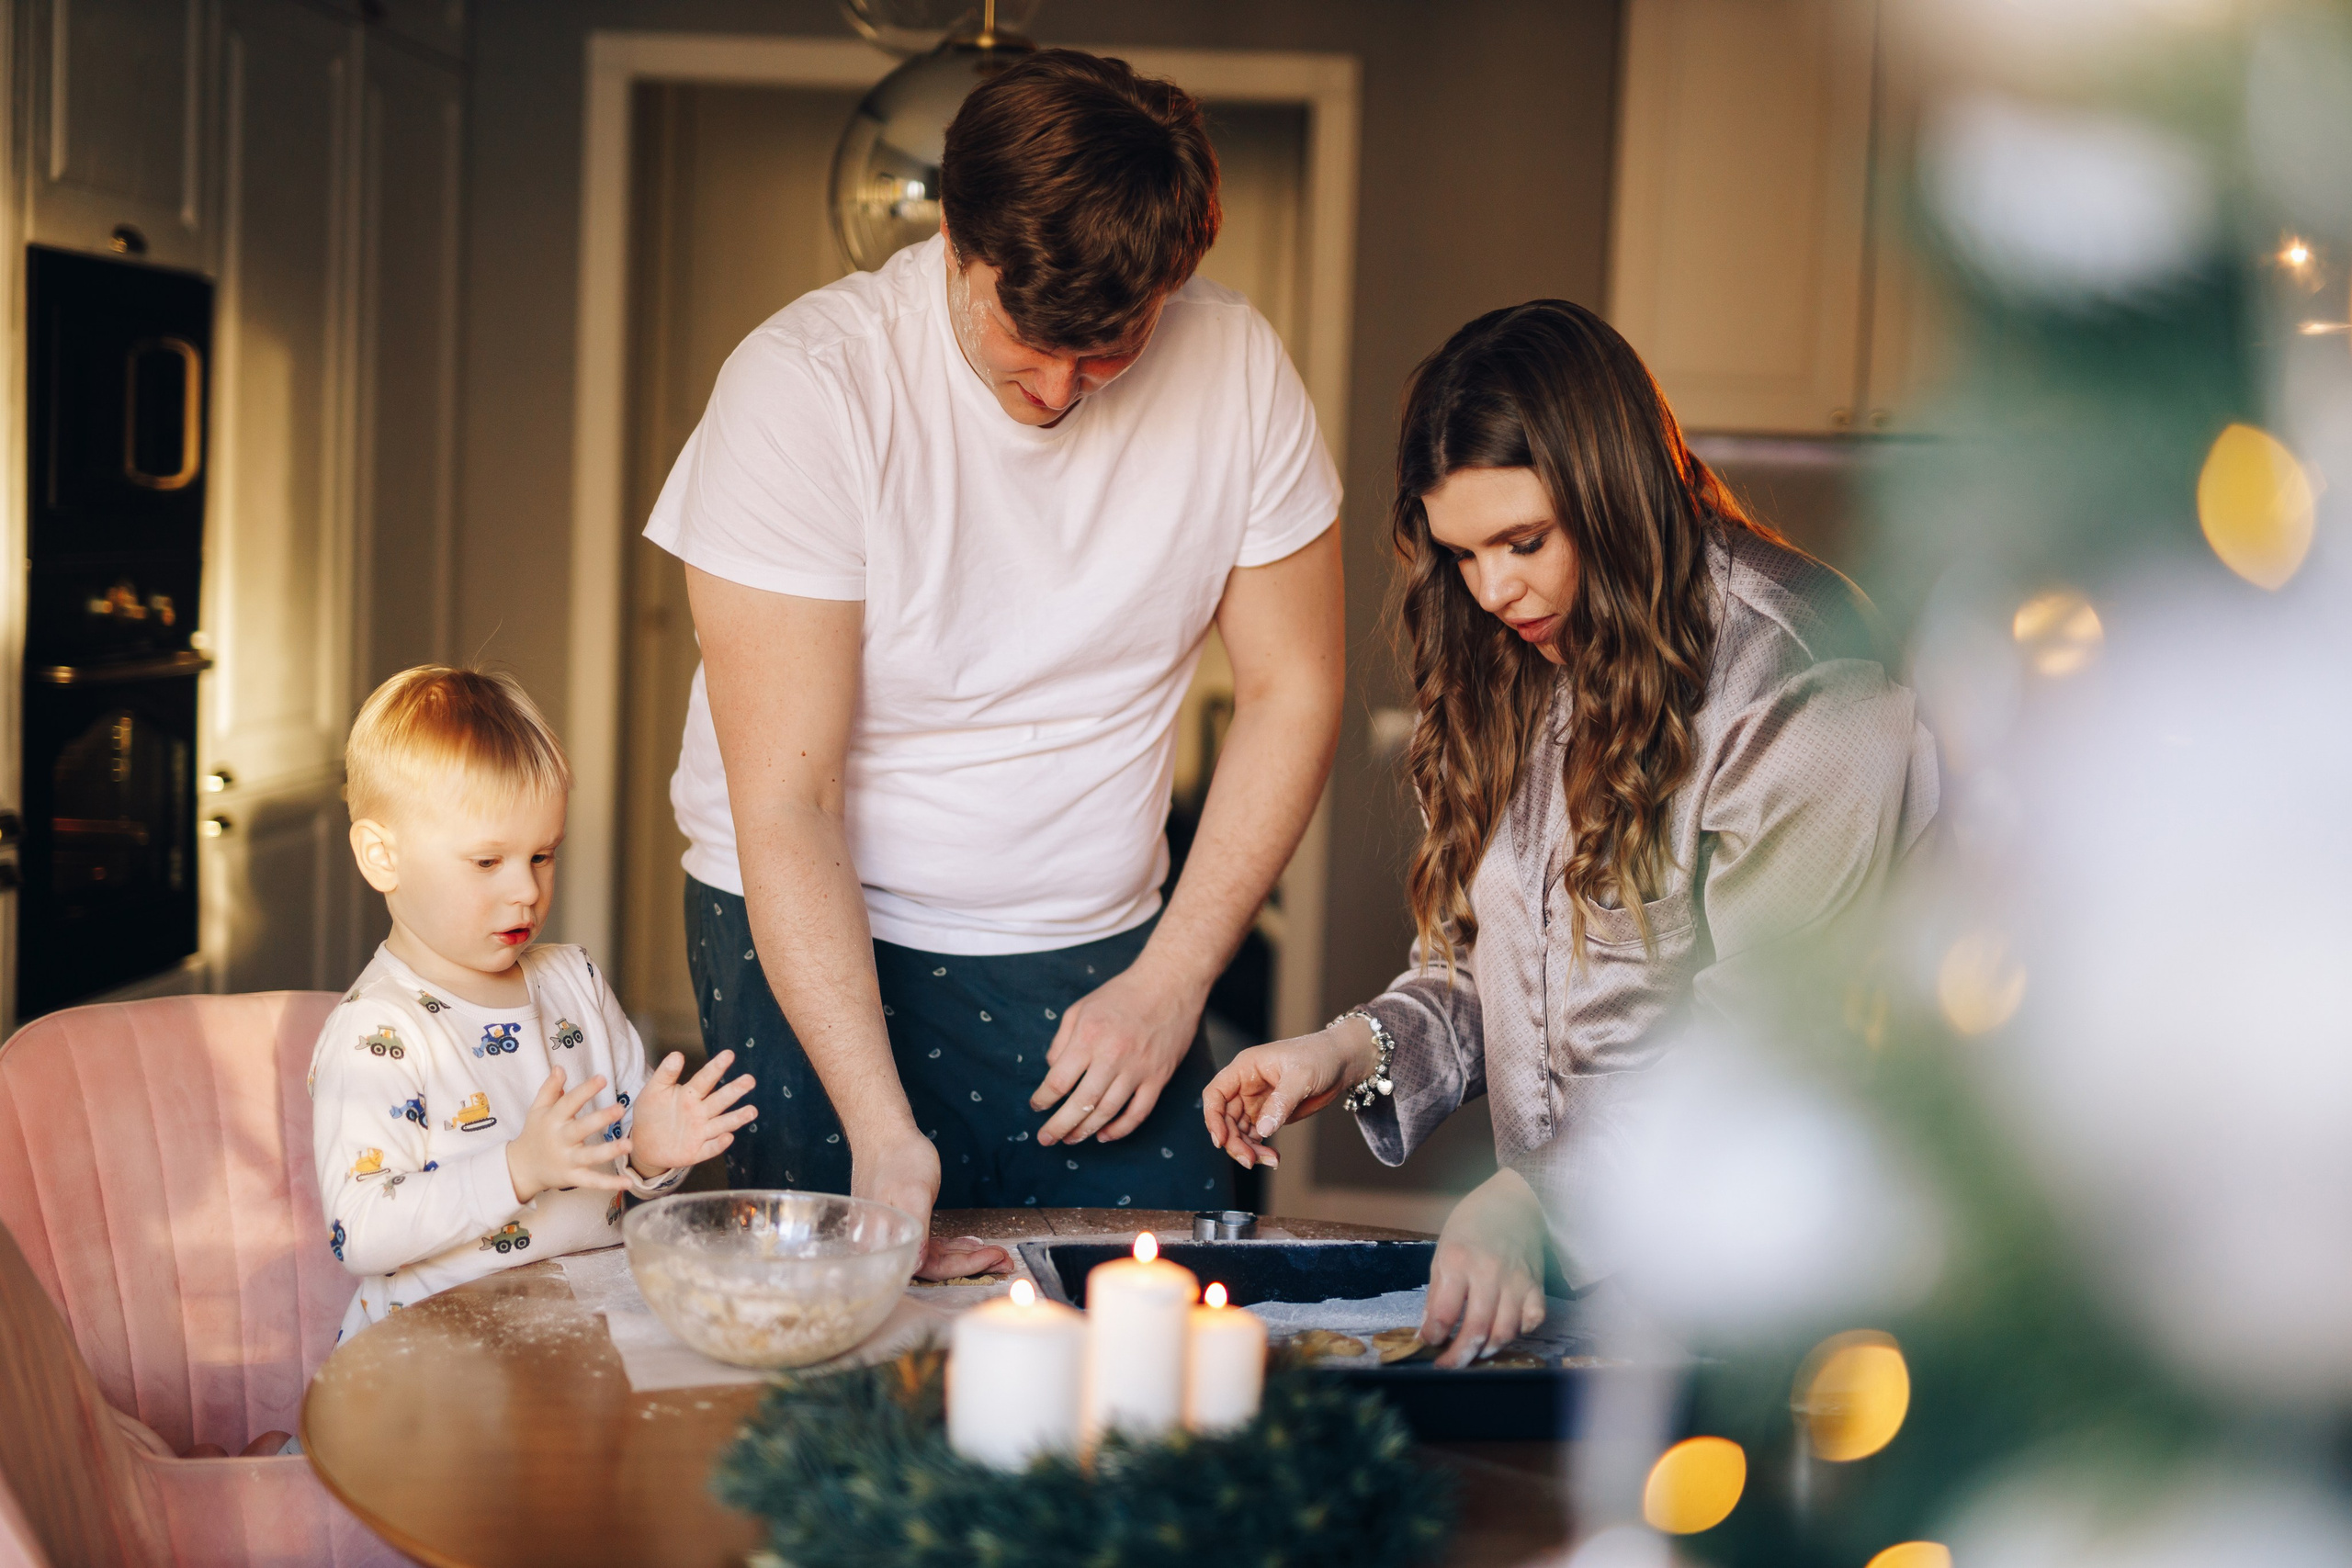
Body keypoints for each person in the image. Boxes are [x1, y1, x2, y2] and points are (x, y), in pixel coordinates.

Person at [645, 49, 1343, 1274]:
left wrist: (1173, 980)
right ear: (956, 244)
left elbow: (1296, 687)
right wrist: (879, 1125)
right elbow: (786, 799)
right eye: (1032, 339)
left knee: (1160, 1294)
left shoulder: (1238, 370)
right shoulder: (806, 390)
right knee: (849, 1324)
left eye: (1111, 349)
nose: (1063, 389)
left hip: (1094, 943)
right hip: (814, 927)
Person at [1203, 300, 1939, 1366]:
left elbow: (1775, 1049)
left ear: (1615, 486)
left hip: (1769, 1305)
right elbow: (1476, 975)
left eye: (1524, 540)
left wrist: (1532, 1204)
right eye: (1462, 553)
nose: (1495, 589)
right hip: (1574, 1307)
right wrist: (1344, 1051)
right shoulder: (1511, 666)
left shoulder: (1799, 674)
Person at [311, 667, 755, 1342]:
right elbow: (362, 1230)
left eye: (542, 854)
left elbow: (623, 1150)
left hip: (584, 1328)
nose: (526, 889)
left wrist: (654, 1151)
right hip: (438, 1366)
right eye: (488, 862)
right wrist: (517, 1169)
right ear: (381, 857)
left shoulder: (572, 979)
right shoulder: (378, 1029)